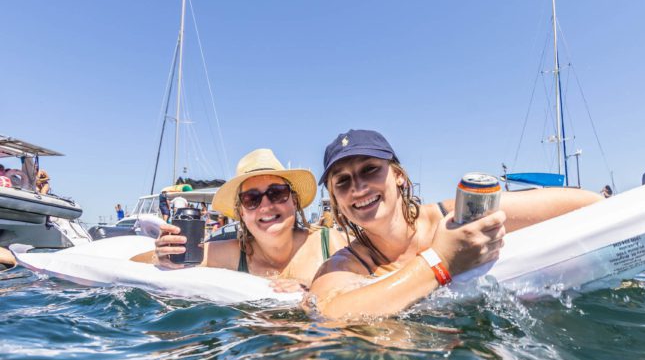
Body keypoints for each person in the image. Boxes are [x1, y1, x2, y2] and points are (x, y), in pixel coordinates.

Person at [309, 129, 602, 319]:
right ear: (335, 198)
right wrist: (441, 262)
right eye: (343, 181)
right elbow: (330, 314)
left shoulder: (451, 217)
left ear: (398, 176)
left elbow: (582, 204)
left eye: (370, 170)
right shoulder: (343, 266)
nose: (358, 188)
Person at [154, 149, 347, 288]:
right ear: (241, 213)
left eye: (277, 193)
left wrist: (313, 289)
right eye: (251, 199)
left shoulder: (329, 244)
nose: (265, 205)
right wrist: (163, 254)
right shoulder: (233, 254)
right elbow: (138, 261)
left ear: (294, 201)